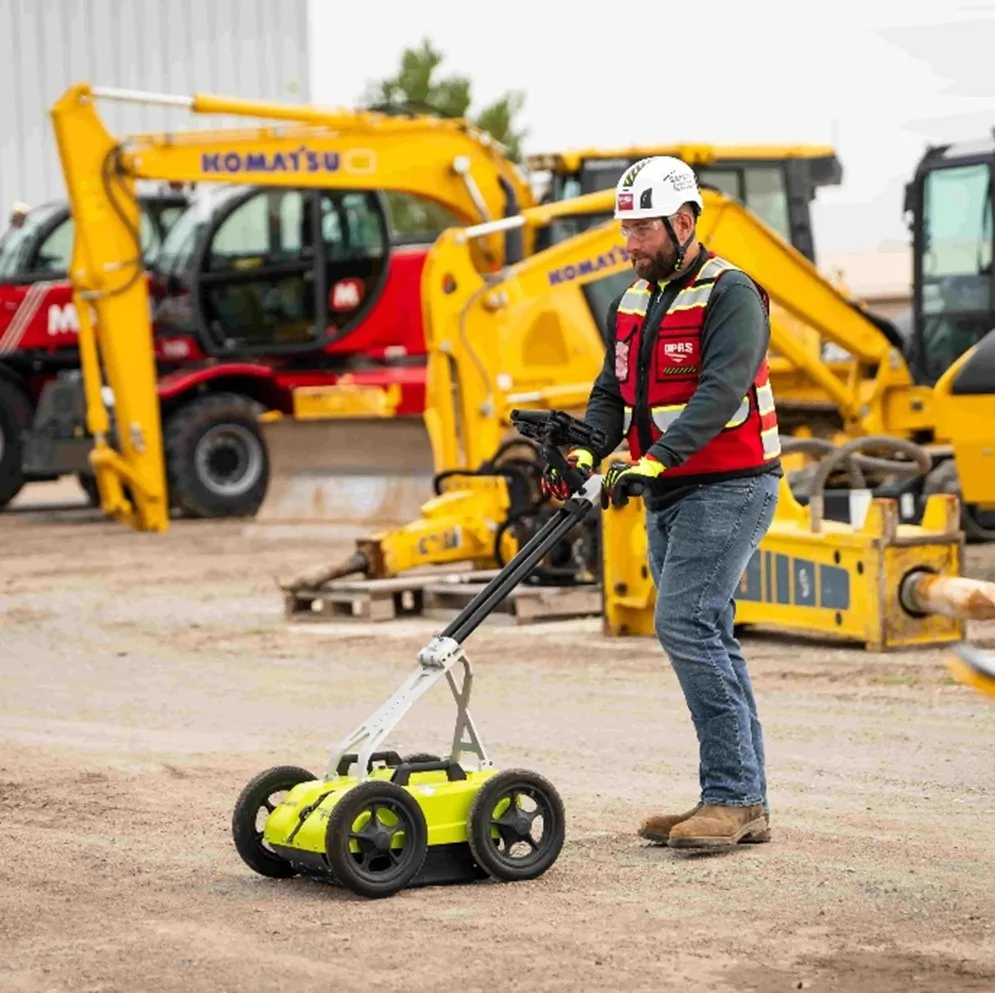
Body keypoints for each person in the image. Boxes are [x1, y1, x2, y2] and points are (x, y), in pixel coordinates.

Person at [542, 156, 782, 849]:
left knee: (685, 623)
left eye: (642, 229)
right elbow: (611, 393)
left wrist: (652, 459)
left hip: (730, 484)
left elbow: (720, 390)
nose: (630, 243)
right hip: (669, 490)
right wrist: (588, 450)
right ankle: (743, 798)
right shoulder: (631, 300)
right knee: (707, 634)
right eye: (625, 229)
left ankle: (730, 796)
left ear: (683, 222)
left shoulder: (730, 293)